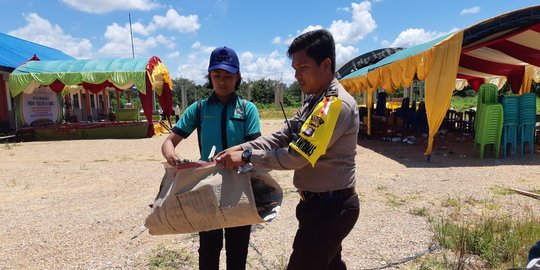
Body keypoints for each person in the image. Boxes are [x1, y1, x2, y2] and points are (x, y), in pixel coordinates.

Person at [215, 29, 360, 270]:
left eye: (302, 68)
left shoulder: (333, 105)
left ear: (325, 65)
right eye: (295, 69)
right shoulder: (314, 101)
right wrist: (240, 147)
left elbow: (295, 157)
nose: (297, 76)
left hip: (330, 209)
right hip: (318, 206)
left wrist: (247, 157)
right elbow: (281, 136)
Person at [161, 46, 261, 270]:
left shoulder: (247, 110)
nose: (222, 81)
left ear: (238, 77)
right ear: (209, 77)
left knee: (238, 248)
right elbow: (169, 142)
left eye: (228, 76)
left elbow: (257, 147)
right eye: (217, 76)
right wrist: (171, 155)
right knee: (208, 247)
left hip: (239, 185)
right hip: (207, 187)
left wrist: (240, 154)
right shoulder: (198, 108)